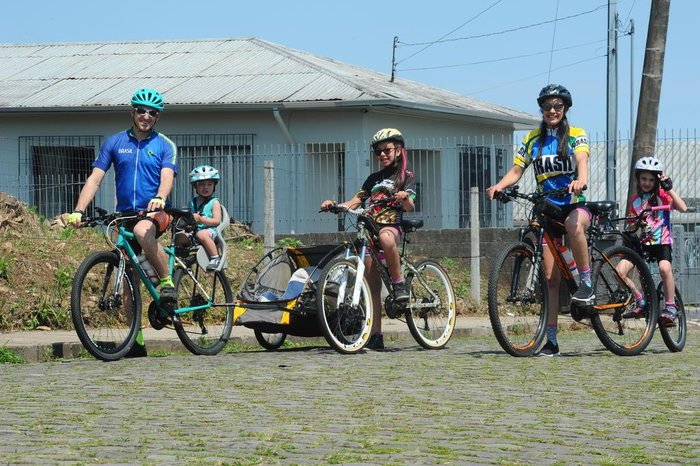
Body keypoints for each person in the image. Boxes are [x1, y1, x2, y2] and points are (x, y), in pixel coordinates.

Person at [486, 84, 591, 357]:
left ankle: (588, 284)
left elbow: (582, 161)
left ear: (565, 108)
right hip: (547, 210)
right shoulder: (533, 139)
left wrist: (581, 180)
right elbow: (517, 170)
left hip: (573, 206)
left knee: (574, 226)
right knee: (550, 278)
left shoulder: (577, 135)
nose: (552, 111)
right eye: (547, 107)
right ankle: (552, 340)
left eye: (557, 106)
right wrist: (499, 186)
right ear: (542, 110)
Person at [67, 88, 179, 305]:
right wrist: (79, 210)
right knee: (129, 280)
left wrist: (160, 197)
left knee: (141, 230)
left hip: (156, 211)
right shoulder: (114, 142)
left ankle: (167, 283)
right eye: (141, 111)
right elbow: (94, 179)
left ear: (157, 117)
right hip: (125, 215)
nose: (146, 116)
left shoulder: (165, 144)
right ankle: (135, 339)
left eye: (152, 113)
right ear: (132, 112)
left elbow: (167, 177)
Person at [320, 128, 416, 350]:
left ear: (399, 150)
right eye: (378, 151)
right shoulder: (373, 179)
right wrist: (334, 205)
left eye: (387, 150)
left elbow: (410, 205)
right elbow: (356, 201)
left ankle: (399, 283)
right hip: (370, 230)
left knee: (386, 237)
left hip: (391, 226)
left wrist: (404, 198)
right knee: (372, 285)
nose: (382, 155)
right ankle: (375, 334)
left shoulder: (406, 176)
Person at [619, 156, 688, 326]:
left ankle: (670, 306)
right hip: (644, 244)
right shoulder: (635, 201)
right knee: (619, 271)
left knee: (665, 268)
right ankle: (639, 298)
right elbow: (632, 222)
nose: (647, 183)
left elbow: (683, 207)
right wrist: (637, 222)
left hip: (662, 242)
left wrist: (669, 189)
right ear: (638, 179)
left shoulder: (663, 195)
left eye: (651, 179)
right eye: (644, 179)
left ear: (657, 180)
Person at [176, 165, 223, 271]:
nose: (205, 187)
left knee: (202, 234)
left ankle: (215, 257)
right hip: (195, 232)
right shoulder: (193, 202)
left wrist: (201, 220)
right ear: (195, 186)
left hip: (212, 232)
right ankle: (182, 258)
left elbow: (216, 221)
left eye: (209, 184)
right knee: (180, 235)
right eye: (201, 185)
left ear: (214, 186)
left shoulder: (214, 202)